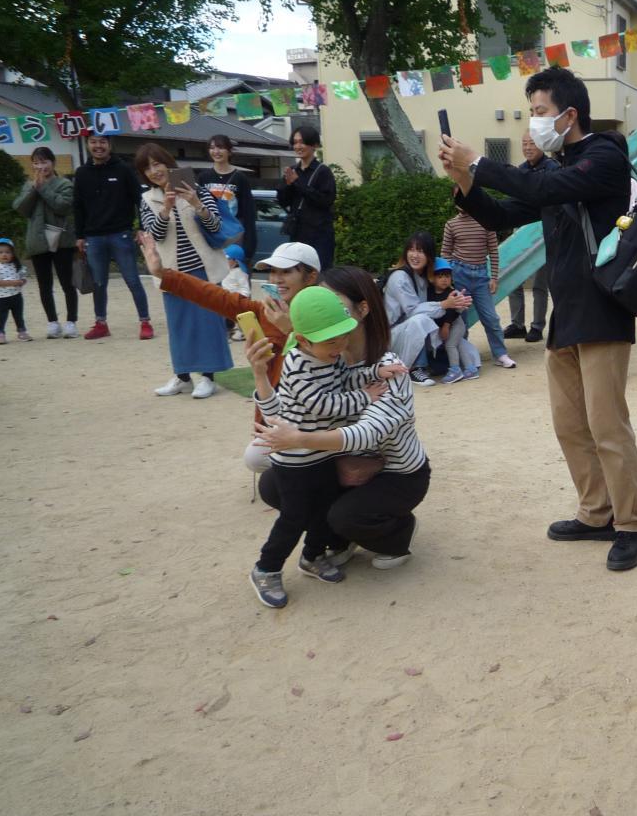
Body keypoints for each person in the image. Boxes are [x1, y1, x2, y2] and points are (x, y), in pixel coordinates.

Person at [439, 65, 637, 572]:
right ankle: (596, 513)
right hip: (566, 315)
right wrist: (464, 178)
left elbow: (540, 190)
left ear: (569, 114)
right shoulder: (556, 168)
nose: (533, 121)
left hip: (603, 311)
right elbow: (503, 215)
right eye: (531, 111)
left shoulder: (604, 156)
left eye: (540, 112)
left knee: (607, 425)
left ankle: (631, 524)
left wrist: (479, 162)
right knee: (570, 424)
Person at [253, 267, 430, 572]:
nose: (327, 314)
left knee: (344, 515)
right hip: (339, 462)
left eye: (336, 305)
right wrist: (260, 375)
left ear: (363, 309)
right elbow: (280, 415)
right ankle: (338, 537)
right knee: (274, 484)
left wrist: (299, 439)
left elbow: (367, 433)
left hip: (394, 472)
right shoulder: (317, 360)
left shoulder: (390, 367)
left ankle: (398, 533)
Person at [247, 286, 401, 608]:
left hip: (322, 454)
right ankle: (266, 568)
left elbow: (346, 379)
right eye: (331, 342)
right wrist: (365, 397)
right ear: (303, 341)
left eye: (343, 338)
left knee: (325, 509)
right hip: (295, 460)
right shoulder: (297, 366)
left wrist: (374, 372)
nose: (340, 347)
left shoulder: (330, 356)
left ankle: (313, 556)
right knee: (295, 517)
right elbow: (323, 406)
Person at [143, 238, 320, 470]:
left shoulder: (324, 314)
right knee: (256, 456)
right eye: (273, 271)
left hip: (317, 414)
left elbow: (327, 363)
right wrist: (163, 274)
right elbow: (212, 295)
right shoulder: (263, 311)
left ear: (311, 277)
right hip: (279, 411)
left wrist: (290, 330)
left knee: (263, 458)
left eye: (286, 272)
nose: (276, 279)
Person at [136, 144, 233, 400]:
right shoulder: (147, 199)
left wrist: (196, 203)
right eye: (147, 168)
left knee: (208, 322)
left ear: (168, 163)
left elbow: (216, 226)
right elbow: (155, 235)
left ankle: (208, 377)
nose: (154, 171)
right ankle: (182, 376)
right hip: (170, 270)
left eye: (157, 163)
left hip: (203, 268)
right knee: (178, 324)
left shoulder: (197, 189)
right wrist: (166, 209)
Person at [73, 133, 153, 341]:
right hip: (93, 237)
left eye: (102, 142)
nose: (98, 146)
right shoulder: (81, 173)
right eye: (93, 142)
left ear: (110, 145)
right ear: (88, 145)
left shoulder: (123, 169)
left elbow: (140, 200)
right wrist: (79, 235)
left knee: (132, 280)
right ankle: (101, 323)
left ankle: (145, 321)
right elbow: (78, 206)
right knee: (99, 283)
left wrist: (141, 227)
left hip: (121, 234)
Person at [383, 232, 476, 387]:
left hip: (411, 333)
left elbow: (442, 297)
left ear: (429, 256)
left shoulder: (424, 276)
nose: (414, 255)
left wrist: (458, 301)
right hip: (392, 336)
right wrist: (444, 304)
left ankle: (449, 361)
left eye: (420, 251)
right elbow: (413, 311)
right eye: (411, 250)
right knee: (420, 319)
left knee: (457, 313)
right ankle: (416, 368)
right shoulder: (400, 277)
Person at [12, 146, 78, 338]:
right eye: (36, 162)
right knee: (44, 284)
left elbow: (63, 206)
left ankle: (71, 322)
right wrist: (34, 188)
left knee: (67, 283)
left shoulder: (64, 184)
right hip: (38, 240)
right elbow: (20, 208)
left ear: (53, 162)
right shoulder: (29, 184)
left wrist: (43, 188)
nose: (40, 166)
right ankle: (52, 322)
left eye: (44, 161)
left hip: (61, 239)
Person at [441, 210, 514, 368]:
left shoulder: (486, 222)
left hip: (481, 275)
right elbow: (445, 253)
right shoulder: (451, 224)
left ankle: (500, 354)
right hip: (459, 274)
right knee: (461, 321)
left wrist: (494, 277)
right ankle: (464, 357)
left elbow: (493, 250)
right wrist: (449, 279)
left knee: (491, 317)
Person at [504, 132, 557, 343]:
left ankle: (537, 326)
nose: (527, 147)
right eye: (524, 143)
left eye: (532, 143)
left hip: (542, 233)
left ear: (542, 145)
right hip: (520, 231)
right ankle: (517, 324)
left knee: (539, 284)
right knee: (513, 282)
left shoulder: (552, 168)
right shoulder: (520, 170)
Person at [277, 124, 336, 270]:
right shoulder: (292, 171)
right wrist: (288, 185)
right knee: (298, 273)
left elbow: (326, 200)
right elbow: (283, 201)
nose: (298, 146)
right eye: (295, 142)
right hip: (297, 232)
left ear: (314, 145)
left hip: (319, 234)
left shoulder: (323, 171)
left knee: (319, 273)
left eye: (302, 142)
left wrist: (297, 183)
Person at [197, 134, 257, 260]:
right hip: (210, 234)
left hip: (234, 235)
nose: (216, 151)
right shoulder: (203, 177)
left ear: (229, 151)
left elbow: (249, 213)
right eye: (212, 148)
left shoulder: (240, 178)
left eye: (220, 147)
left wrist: (249, 245)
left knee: (234, 271)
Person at [426, 258, 474, 383]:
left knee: (450, 345)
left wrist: (446, 326)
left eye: (447, 276)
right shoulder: (429, 292)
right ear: (432, 278)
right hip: (447, 325)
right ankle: (470, 368)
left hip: (455, 324)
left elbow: (452, 312)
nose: (444, 279)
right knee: (459, 344)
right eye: (440, 276)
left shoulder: (452, 293)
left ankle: (455, 370)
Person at [0, 238, 30, 344]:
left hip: (17, 296)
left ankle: (22, 331)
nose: (4, 254)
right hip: (2, 298)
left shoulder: (17, 266)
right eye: (0, 252)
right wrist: (15, 282)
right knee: (1, 316)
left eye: (7, 252)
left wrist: (22, 281)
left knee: (18, 315)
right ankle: (0, 334)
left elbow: (23, 278)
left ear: (12, 254)